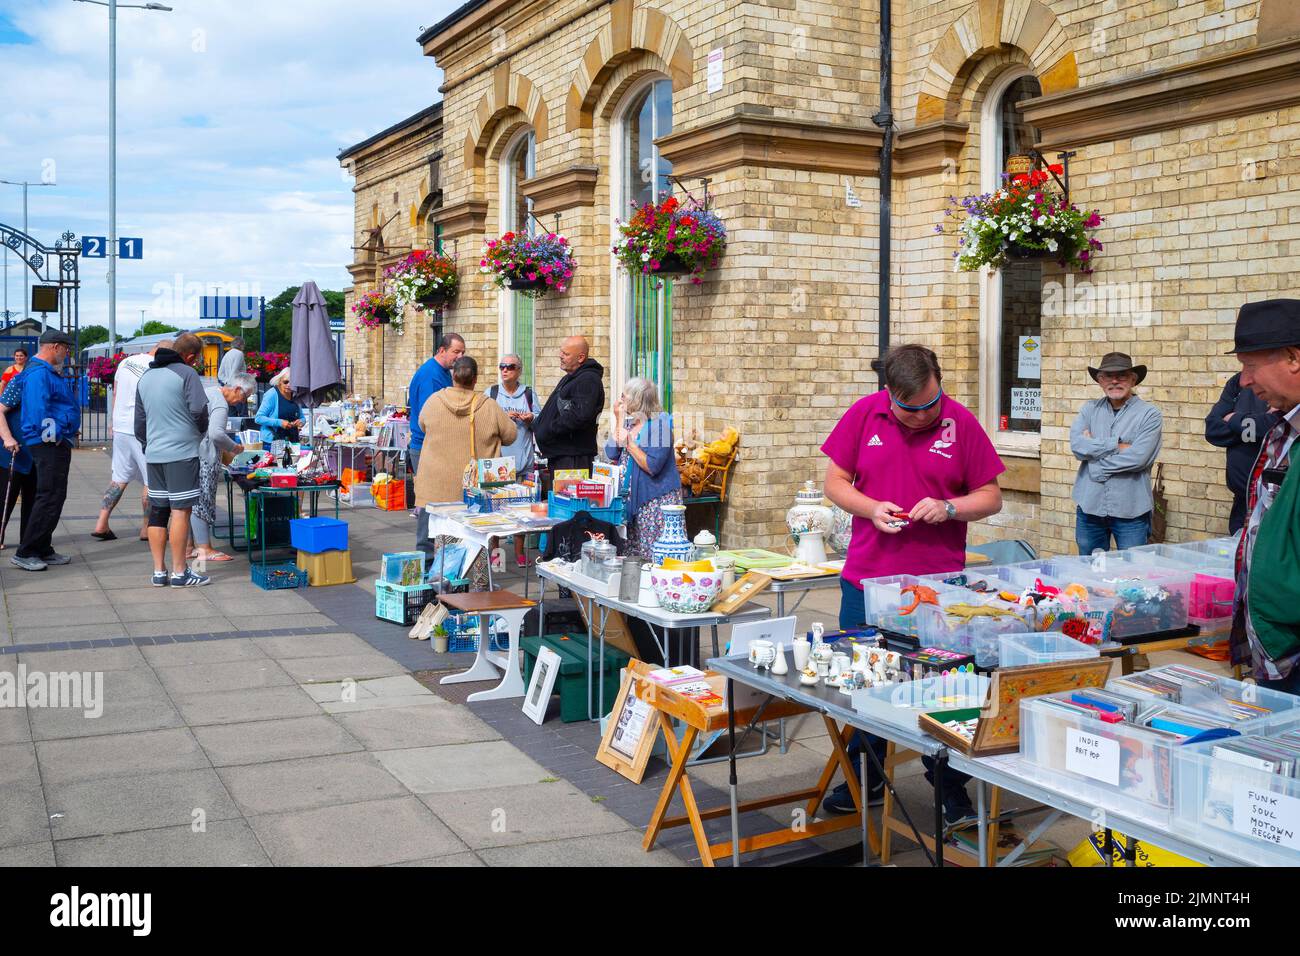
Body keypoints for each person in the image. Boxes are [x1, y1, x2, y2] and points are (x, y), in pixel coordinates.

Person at [821, 344, 1005, 821]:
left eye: (930, 404)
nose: (923, 416)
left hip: (937, 587)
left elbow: (991, 497)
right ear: (889, 395)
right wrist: (870, 508)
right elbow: (835, 482)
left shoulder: (961, 422)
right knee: (865, 683)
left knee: (947, 688)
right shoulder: (864, 415)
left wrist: (950, 508)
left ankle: (949, 785)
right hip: (866, 580)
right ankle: (866, 777)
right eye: (910, 409)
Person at [1228, 299, 1300, 692]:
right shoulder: (1283, 428)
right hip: (1278, 655)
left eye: (1250, 365)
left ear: (1293, 357)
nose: (1243, 381)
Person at [413, 356, 516, 559]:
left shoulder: (434, 401)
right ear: (475, 379)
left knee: (432, 538)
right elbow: (511, 435)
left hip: (436, 485)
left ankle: (432, 574)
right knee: (475, 537)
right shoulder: (489, 406)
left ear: (453, 376)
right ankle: (478, 575)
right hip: (474, 488)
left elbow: (422, 424)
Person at [0, 329, 81, 571]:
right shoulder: (38, 374)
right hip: (47, 445)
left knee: (49, 496)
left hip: (46, 444)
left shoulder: (42, 372)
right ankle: (26, 551)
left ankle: (42, 547)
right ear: (55, 346)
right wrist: (56, 435)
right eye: (67, 349)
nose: (67, 355)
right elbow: (38, 412)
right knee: (49, 496)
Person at [135, 332, 211, 587]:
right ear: (190, 356)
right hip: (181, 453)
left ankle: (159, 572)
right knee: (180, 511)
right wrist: (199, 432)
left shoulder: (146, 377)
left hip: (154, 453)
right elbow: (199, 409)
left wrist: (149, 444)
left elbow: (139, 423)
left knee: (158, 511)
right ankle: (180, 572)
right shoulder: (186, 374)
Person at [1069, 352, 1163, 553]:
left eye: (1121, 375)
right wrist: (1116, 445)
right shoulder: (1089, 409)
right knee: (1089, 569)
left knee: (1132, 573)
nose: (1114, 381)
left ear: (1133, 379)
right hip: (1090, 508)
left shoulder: (1149, 414)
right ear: (1100, 380)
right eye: (1108, 376)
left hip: (1131, 511)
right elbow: (1077, 446)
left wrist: (1094, 460)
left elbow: (1139, 458)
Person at [93, 339, 172, 542]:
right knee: (151, 480)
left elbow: (116, 393)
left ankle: (101, 523)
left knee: (119, 477)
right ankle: (146, 528)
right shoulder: (156, 369)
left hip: (120, 425)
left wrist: (112, 421)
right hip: (142, 428)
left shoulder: (125, 362)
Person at [604, 377, 678, 561]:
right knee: (632, 557)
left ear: (637, 400)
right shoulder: (631, 423)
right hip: (630, 501)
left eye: (624, 396)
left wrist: (629, 444)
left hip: (654, 502)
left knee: (652, 556)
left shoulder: (660, 427)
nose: (620, 400)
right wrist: (618, 420)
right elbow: (611, 452)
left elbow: (652, 466)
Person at [192, 372, 256, 564]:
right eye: (244, 397)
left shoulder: (209, 392)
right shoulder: (220, 402)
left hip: (191, 452)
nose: (242, 402)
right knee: (201, 503)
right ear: (237, 389)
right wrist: (234, 448)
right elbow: (216, 434)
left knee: (189, 503)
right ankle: (204, 548)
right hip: (205, 455)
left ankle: (190, 547)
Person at [1205, 371, 1278, 534]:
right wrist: (1255, 424)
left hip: (1276, 504)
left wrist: (1234, 419)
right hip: (1241, 504)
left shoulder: (1282, 384)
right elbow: (1212, 429)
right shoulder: (1238, 382)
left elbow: (1275, 426)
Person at [490, 353, 541, 567]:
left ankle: (520, 554)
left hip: (524, 460)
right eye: (502, 366)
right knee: (495, 511)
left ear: (519, 371)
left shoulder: (528, 394)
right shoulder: (492, 393)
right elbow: (484, 422)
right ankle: (496, 558)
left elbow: (540, 420)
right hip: (499, 463)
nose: (505, 370)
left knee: (522, 510)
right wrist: (502, 418)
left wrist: (531, 418)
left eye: (510, 367)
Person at [534, 335, 605, 475]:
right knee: (560, 496)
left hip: (573, 458)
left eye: (566, 354)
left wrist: (549, 429)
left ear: (580, 358)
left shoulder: (588, 380)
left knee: (569, 496)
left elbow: (579, 416)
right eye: (561, 352)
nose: (560, 356)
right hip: (562, 456)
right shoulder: (571, 377)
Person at [407, 332, 466, 474]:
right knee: (430, 496)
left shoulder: (444, 371)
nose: (460, 357)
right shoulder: (431, 375)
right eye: (456, 352)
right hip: (426, 447)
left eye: (463, 353)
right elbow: (429, 417)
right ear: (442, 350)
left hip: (433, 446)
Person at [0, 374, 35, 549]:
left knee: (33, 499)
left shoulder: (48, 379)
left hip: (35, 452)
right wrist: (7, 437)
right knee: (6, 496)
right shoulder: (21, 381)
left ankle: (27, 541)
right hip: (13, 451)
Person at [254, 368, 305, 445]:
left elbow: (302, 417)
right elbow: (258, 418)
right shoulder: (272, 394)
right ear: (279, 381)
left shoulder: (295, 395)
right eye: (286, 382)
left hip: (292, 441)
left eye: (292, 382)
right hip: (273, 441)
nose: (289, 385)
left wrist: (300, 422)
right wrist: (280, 423)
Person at [217, 337, 248, 415]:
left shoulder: (227, 354)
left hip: (227, 390)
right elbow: (235, 371)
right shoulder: (239, 354)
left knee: (231, 415)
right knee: (243, 415)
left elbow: (220, 374)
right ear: (241, 345)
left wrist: (227, 382)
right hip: (238, 388)